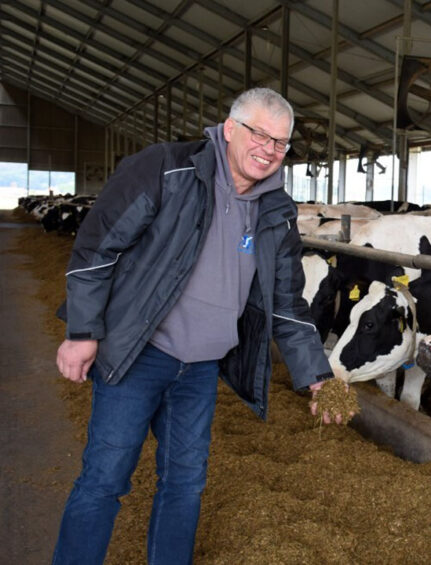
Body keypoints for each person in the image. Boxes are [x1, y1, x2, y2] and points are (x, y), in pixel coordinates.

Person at [52, 87, 343, 564]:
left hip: (202, 368)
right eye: (258, 134)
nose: (268, 150)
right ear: (229, 129)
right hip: (136, 353)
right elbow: (96, 248)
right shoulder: (168, 168)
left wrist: (315, 375)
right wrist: (82, 332)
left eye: (280, 143)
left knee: (185, 482)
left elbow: (288, 303)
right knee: (105, 478)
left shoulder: (277, 212)